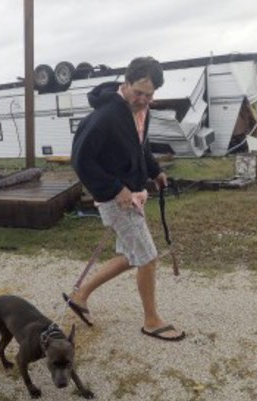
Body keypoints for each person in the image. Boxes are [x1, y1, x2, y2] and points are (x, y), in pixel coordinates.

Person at [67, 56, 185, 341]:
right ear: (126, 84)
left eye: (149, 95)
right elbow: (81, 161)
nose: (143, 100)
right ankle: (151, 320)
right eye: (139, 92)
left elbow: (139, 147)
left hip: (132, 194)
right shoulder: (105, 116)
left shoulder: (142, 112)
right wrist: (114, 189)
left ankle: (80, 295)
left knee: (132, 256)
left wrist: (155, 171)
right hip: (117, 198)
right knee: (147, 257)